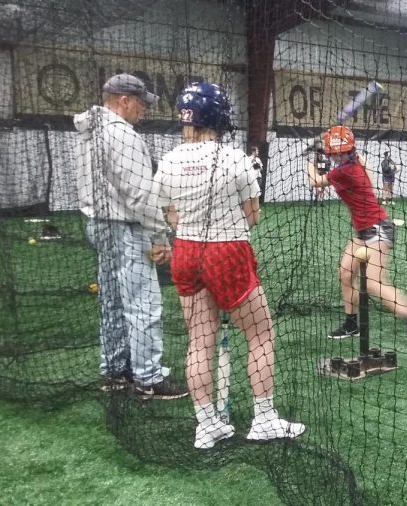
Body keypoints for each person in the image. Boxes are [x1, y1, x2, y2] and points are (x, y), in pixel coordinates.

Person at [154, 81, 305, 449]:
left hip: (187, 251)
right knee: (260, 334)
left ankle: (207, 425)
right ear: (218, 116)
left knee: (199, 341)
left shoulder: (170, 159)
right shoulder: (234, 158)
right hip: (227, 251)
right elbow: (252, 216)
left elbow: (169, 214)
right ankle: (264, 419)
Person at [73, 73, 187, 400]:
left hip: (98, 225)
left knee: (111, 301)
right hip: (124, 228)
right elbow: (140, 196)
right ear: (123, 100)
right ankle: (148, 379)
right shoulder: (122, 134)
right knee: (142, 304)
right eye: (139, 102)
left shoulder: (87, 130)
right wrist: (160, 236)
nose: (143, 110)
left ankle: (114, 372)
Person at [306, 125, 407, 344]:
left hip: (377, 230)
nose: (336, 156)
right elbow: (363, 162)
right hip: (362, 232)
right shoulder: (356, 161)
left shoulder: (344, 171)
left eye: (338, 153)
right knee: (346, 274)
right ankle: (351, 324)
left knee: (374, 283)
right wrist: (324, 147)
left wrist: (309, 158)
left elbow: (316, 182)